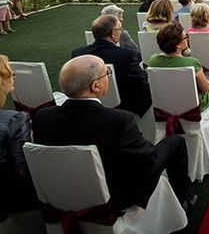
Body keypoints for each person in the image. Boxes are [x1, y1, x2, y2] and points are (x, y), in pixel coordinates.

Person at [32, 55, 191, 211]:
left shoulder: (42, 117)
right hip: (116, 197)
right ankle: (183, 200)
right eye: (106, 74)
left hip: (63, 191)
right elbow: (147, 159)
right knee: (176, 142)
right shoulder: (119, 120)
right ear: (96, 86)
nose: (108, 77)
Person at [0, 54, 42, 226]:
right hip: (16, 193)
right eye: (10, 74)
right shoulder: (13, 120)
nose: (13, 76)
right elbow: (22, 169)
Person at [72, 15, 151, 117]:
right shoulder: (127, 55)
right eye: (120, 29)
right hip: (124, 110)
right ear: (113, 33)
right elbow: (141, 83)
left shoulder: (78, 54)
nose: (120, 32)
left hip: (89, 108)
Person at [148, 23, 209, 108]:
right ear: (178, 45)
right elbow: (205, 88)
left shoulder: (153, 60)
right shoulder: (192, 63)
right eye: (185, 37)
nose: (187, 40)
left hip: (166, 104)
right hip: (193, 106)